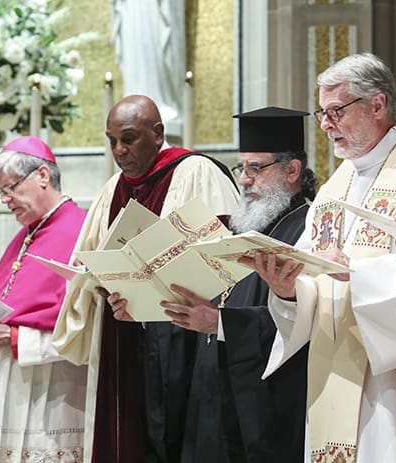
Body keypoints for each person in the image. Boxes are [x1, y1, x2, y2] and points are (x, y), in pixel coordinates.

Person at [242, 53, 396, 463]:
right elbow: (313, 287)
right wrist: (287, 291)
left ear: (377, 105)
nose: (326, 124)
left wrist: (359, 277)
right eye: (322, 113)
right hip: (334, 371)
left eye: (336, 111)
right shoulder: (334, 191)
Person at [52, 95, 239, 462]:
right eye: (112, 141)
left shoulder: (195, 172)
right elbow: (88, 263)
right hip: (123, 334)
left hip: (181, 338)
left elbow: (222, 262)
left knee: (177, 436)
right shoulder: (112, 189)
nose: (119, 151)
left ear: (158, 133)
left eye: (129, 138)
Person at [127, 106, 316, 463]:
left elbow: (303, 323)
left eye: (255, 168)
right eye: (241, 168)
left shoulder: (305, 232)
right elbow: (202, 308)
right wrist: (142, 302)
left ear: (292, 170)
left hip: (266, 415)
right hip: (211, 404)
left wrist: (221, 323)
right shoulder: (235, 232)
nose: (244, 179)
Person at [0, 136, 88, 462]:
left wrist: (17, 338)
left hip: (53, 399)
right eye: (1, 191)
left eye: (10, 188)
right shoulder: (24, 237)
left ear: (43, 176)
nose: (4, 199)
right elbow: (1, 312)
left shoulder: (83, 230)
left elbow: (89, 331)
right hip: (5, 394)